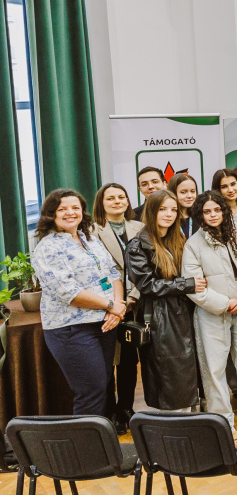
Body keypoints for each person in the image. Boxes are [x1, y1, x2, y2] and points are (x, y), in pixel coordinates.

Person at [30, 189, 127, 416]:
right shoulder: (48, 246)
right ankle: (83, 449)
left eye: (75, 208)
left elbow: (113, 272)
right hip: (72, 330)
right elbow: (68, 292)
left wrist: (118, 305)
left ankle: (104, 445)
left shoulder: (89, 239)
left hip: (105, 323)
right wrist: (111, 305)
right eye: (62, 209)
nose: (70, 213)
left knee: (103, 388)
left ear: (83, 211)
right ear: (50, 214)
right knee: (91, 392)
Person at [182, 191, 237, 435]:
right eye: (207, 211)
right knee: (215, 369)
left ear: (224, 210)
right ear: (199, 215)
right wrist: (225, 303)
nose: (213, 215)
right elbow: (193, 285)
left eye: (217, 210)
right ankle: (224, 425)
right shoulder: (193, 244)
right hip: (212, 313)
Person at [126, 190, 202, 411]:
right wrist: (187, 285)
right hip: (161, 316)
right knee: (172, 376)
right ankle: (174, 432)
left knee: (187, 374)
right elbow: (147, 286)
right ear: (151, 211)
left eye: (173, 210)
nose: (169, 214)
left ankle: (189, 423)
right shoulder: (138, 245)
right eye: (162, 209)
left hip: (184, 310)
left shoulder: (177, 239)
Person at [92, 183, 143, 433]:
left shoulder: (140, 227)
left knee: (129, 362)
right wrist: (115, 303)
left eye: (121, 197)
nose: (117, 201)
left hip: (135, 302)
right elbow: (96, 272)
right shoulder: (91, 231)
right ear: (101, 203)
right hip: (106, 306)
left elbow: (149, 265)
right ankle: (109, 411)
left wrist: (132, 297)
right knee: (107, 361)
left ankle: (126, 408)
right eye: (110, 198)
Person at [168, 173, 199, 237]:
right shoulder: (167, 218)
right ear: (173, 193)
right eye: (183, 192)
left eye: (192, 191)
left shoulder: (200, 216)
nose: (189, 196)